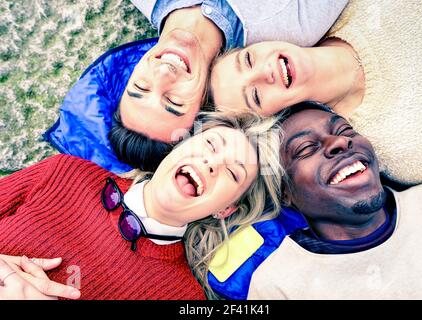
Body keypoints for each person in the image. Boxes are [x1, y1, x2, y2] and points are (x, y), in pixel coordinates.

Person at [0, 112, 282, 300]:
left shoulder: (181, 296)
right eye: (210, 144)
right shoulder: (64, 172)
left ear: (225, 209)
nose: (212, 163)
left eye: (233, 173)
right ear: (178, 146)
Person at [44, 0, 347, 174]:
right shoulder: (291, 29)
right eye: (174, 100)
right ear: (204, 100)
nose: (164, 74)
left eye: (140, 87)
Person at [209, 0, 422, 185]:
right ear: (271, 120)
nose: (265, 72)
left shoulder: (333, 9)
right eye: (256, 96)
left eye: (248, 59)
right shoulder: (396, 145)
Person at [247, 103, 422, 299]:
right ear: (284, 193)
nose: (340, 142)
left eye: (345, 130)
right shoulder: (275, 285)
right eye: (306, 148)